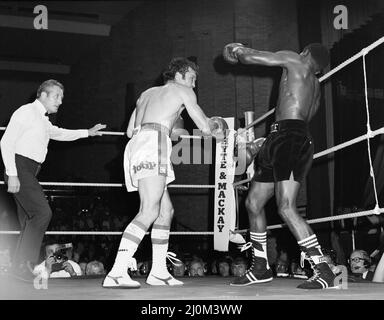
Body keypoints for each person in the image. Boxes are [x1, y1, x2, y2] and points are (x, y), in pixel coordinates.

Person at [102, 57, 228, 288]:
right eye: (191, 78)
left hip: (139, 145)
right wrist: (222, 131)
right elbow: (204, 126)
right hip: (154, 144)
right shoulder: (183, 91)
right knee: (149, 210)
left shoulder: (146, 94)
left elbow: (130, 131)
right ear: (179, 76)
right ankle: (117, 271)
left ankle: (158, 271)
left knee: (165, 211)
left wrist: (164, 125)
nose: (193, 83)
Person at [223, 43, 336, 289]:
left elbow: (256, 57)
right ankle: (261, 267)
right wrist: (272, 139)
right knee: (253, 203)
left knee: (285, 207)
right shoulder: (315, 86)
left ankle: (323, 269)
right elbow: (303, 114)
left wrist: (237, 49)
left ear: (306, 53)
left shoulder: (296, 60)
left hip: (290, 139)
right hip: (281, 137)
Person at [0, 79, 106, 280]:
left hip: (29, 170)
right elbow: (6, 142)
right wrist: (12, 173)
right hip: (20, 167)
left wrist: (88, 132)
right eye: (57, 96)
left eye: (62, 97)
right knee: (42, 213)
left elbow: (60, 133)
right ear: (43, 94)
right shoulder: (26, 112)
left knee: (28, 220)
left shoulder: (42, 119)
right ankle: (24, 264)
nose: (60, 101)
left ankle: (17, 269)